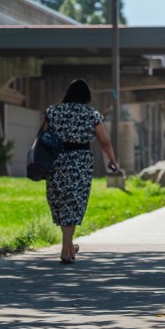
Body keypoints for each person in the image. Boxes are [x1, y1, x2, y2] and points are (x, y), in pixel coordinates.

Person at [42, 79, 119, 264]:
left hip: (57, 160)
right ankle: (65, 248)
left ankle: (69, 247)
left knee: (61, 202)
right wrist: (113, 160)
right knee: (74, 203)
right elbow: (104, 140)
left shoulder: (52, 111)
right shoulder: (91, 114)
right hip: (80, 162)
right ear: (87, 96)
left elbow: (42, 135)